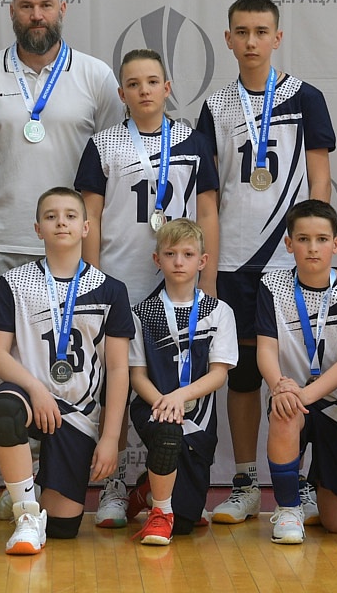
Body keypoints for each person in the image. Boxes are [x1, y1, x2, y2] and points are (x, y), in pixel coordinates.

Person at [0, 0, 124, 526]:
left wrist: (92, 248)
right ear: (11, 10)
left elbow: (112, 163)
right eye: (26, 6)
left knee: (75, 360)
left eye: (45, 5)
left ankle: (53, 474)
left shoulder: (95, 76)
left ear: (62, 9)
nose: (36, 15)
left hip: (72, 246)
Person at [195, 0, 335, 525]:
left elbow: (320, 181)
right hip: (234, 261)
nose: (251, 41)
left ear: (277, 37)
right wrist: (209, 271)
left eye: (261, 32)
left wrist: (310, 248)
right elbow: (208, 196)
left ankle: (300, 482)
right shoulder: (216, 106)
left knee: (298, 371)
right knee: (244, 374)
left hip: (289, 260)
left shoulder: (306, 98)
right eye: (241, 32)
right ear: (228, 39)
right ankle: (246, 481)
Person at [75, 48, 219, 527]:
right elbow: (91, 216)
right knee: (112, 384)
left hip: (176, 283)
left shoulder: (193, 141)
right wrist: (92, 279)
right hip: (118, 281)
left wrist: (208, 280)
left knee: (173, 381)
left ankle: (165, 486)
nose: (144, 91)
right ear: (122, 93)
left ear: (167, 87)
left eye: (152, 82)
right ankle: (113, 483)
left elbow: (207, 211)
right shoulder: (104, 144)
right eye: (133, 84)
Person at [0, 187, 133, 555]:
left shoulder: (111, 290)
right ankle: (26, 513)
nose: (61, 223)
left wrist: (110, 437)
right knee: (3, 410)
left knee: (64, 528)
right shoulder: (14, 283)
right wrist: (35, 389)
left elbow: (118, 369)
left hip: (79, 411)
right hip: (29, 396)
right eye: (51, 216)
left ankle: (26, 485)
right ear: (38, 229)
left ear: (86, 227)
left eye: (70, 216)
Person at [256, 201, 337, 544]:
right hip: (288, 395)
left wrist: (302, 394)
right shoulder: (272, 286)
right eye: (303, 239)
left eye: (321, 239)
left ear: (335, 244)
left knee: (336, 524)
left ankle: (318, 485)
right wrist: (280, 387)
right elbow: (266, 350)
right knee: (285, 412)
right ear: (288, 243)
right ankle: (288, 508)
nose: (312, 248)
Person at [127, 219, 236, 545]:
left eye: (188, 254)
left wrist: (180, 397)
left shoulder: (219, 311)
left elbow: (218, 374)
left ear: (202, 261)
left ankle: (148, 489)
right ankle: (159, 511)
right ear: (156, 259)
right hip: (154, 409)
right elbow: (137, 376)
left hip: (198, 418)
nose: (178, 261)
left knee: (186, 522)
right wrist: (164, 403)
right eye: (170, 253)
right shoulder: (142, 312)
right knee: (167, 432)